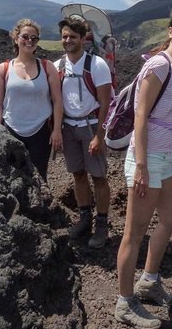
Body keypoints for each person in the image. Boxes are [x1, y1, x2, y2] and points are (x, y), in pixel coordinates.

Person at [115, 7, 172, 328]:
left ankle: (149, 281)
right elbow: (140, 115)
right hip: (147, 159)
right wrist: (139, 165)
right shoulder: (158, 64)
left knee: (170, 220)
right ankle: (125, 303)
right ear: (170, 30)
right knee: (133, 233)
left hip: (165, 159)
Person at [54, 16, 113, 249]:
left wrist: (99, 135)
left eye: (72, 36)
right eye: (64, 36)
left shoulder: (96, 65)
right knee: (78, 174)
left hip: (90, 127)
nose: (67, 40)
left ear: (83, 38)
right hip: (69, 128)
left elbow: (106, 103)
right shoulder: (58, 66)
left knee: (98, 176)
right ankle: (84, 218)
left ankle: (102, 224)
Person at [0, 18, 63, 181]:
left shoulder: (47, 67)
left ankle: (40, 207)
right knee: (11, 177)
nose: (29, 41)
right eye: (25, 37)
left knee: (39, 177)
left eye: (34, 38)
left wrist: (57, 129)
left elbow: (57, 100)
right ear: (16, 38)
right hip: (10, 129)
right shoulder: (4, 68)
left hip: (41, 131)